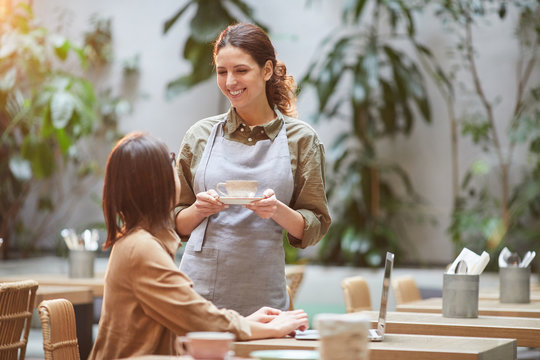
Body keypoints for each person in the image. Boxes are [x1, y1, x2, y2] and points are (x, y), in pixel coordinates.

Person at [89, 132, 309, 359]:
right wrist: (271, 328)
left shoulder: (138, 241)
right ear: (157, 183)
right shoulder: (141, 248)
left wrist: (245, 323)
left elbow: (189, 315)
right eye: (171, 164)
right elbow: (198, 319)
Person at [175, 23, 331, 316]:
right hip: (198, 295)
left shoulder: (302, 140)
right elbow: (174, 222)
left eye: (241, 70)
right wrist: (199, 209)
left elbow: (314, 225)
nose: (230, 81)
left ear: (267, 70)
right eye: (222, 71)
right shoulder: (199, 135)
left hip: (264, 293)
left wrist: (276, 210)